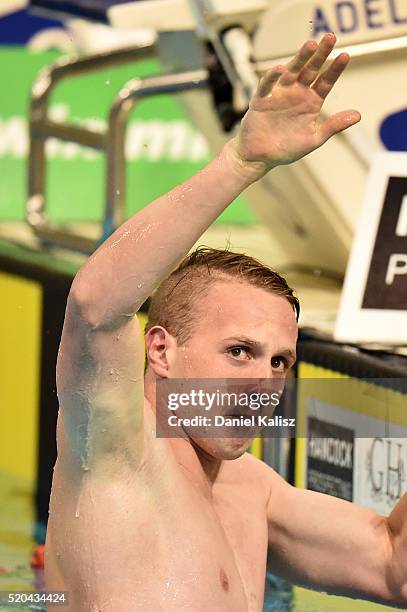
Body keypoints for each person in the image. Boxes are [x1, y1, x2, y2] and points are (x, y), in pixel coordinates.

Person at [45, 33, 407, 611]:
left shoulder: (255, 492)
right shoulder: (118, 448)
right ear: (160, 350)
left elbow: (396, 568)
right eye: (239, 351)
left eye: (279, 360)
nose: (264, 380)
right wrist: (240, 163)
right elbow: (93, 307)